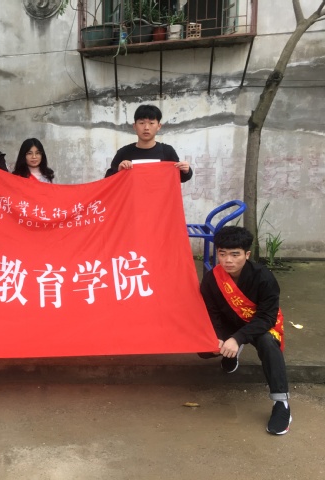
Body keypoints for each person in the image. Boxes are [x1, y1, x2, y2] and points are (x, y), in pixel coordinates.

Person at [199, 226, 290, 435]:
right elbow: (211, 313)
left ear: (247, 255)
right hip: (230, 322)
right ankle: (231, 353)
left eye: (235, 254)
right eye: (222, 254)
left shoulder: (264, 277)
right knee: (204, 348)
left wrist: (238, 338)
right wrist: (218, 337)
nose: (227, 260)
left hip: (258, 324)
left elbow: (266, 317)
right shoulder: (212, 278)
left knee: (268, 344)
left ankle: (281, 403)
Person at [104, 104, 192, 182]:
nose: (146, 127)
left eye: (151, 123)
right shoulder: (124, 152)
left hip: (159, 196)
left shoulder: (167, 151)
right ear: (134, 126)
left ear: (159, 126)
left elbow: (179, 177)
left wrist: (186, 170)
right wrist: (119, 171)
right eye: (141, 123)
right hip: (133, 196)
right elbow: (108, 181)